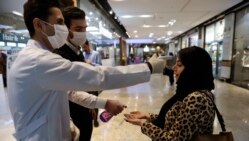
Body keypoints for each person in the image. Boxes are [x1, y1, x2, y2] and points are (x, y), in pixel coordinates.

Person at [7, 0, 165, 140]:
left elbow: (67, 92)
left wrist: (101, 104)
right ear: (39, 24)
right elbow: (99, 76)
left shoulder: (38, 59)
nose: (65, 30)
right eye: (60, 22)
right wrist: (148, 68)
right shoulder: (38, 61)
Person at [124, 46, 216, 141]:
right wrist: (148, 116)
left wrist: (143, 123)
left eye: (179, 65)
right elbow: (176, 120)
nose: (174, 68)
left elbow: (174, 139)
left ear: (193, 70)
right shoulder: (189, 93)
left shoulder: (197, 99)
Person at [53, 7, 98, 141]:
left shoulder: (77, 52)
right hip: (73, 117)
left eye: (85, 28)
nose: (83, 33)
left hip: (86, 112)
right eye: (78, 29)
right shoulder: (60, 55)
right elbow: (68, 92)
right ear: (65, 30)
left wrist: (93, 104)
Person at [82, 39, 102, 127]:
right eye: (82, 47)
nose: (83, 49)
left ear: (88, 45)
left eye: (84, 47)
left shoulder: (96, 54)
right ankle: (89, 118)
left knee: (94, 101)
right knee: (86, 100)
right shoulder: (82, 55)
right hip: (84, 82)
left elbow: (100, 66)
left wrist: (91, 63)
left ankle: (95, 119)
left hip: (93, 82)